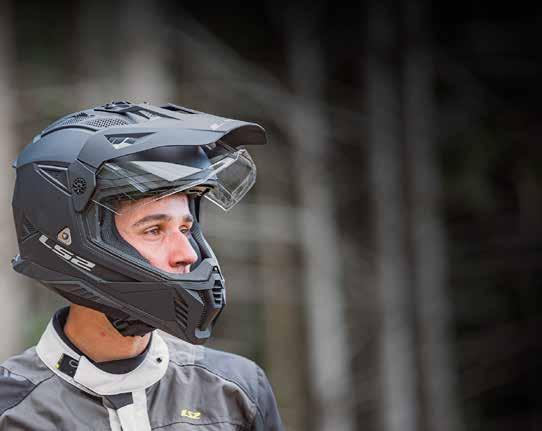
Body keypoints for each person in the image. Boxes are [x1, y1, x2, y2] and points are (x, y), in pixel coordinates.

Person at [0, 101, 283, 431]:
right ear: (68, 238)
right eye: (153, 230)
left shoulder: (236, 391)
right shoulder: (12, 410)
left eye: (185, 229)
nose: (187, 254)